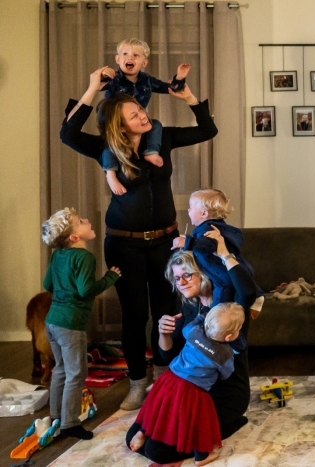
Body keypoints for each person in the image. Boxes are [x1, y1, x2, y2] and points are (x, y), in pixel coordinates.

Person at [60, 66, 218, 411]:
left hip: (165, 241)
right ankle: (137, 382)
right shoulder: (105, 147)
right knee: (134, 314)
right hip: (124, 242)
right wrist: (91, 89)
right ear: (120, 124)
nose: (143, 115)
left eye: (141, 109)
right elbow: (68, 133)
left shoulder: (162, 138)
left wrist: (188, 96)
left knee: (168, 311)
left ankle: (165, 374)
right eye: (134, 114)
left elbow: (209, 129)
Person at [125, 238, 256, 464]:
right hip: (189, 390)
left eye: (187, 275)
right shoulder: (189, 307)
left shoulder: (229, 308)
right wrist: (163, 334)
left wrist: (224, 253)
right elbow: (171, 358)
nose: (181, 282)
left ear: (202, 272)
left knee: (156, 451)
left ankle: (228, 424)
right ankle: (209, 431)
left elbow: (248, 291)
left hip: (224, 393)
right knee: (134, 434)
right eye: (177, 278)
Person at [129, 302, 245, 466]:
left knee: (159, 408)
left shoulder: (194, 332)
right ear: (229, 337)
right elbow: (226, 374)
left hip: (170, 379)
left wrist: (199, 318)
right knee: (197, 422)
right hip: (192, 390)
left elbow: (186, 328)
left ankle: (143, 432)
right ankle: (201, 456)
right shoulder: (225, 354)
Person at [41, 208, 121, 440]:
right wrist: (110, 278)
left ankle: (56, 416)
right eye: (81, 221)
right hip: (71, 325)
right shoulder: (85, 257)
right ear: (75, 237)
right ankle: (69, 423)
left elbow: (48, 284)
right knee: (77, 373)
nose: (87, 221)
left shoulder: (57, 255)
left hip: (53, 321)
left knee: (61, 370)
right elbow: (86, 290)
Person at [100, 38, 192, 196]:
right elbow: (98, 84)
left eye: (136, 55)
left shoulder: (147, 81)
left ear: (144, 63)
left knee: (156, 124)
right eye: (125, 54)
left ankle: (150, 151)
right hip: (114, 120)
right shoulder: (113, 78)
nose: (130, 58)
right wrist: (102, 74)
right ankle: (111, 173)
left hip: (138, 121)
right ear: (117, 59)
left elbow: (171, 88)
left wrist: (179, 77)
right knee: (110, 143)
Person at [172, 189, 265, 317]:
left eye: (190, 208)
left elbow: (209, 245)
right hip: (236, 269)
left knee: (219, 306)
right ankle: (258, 294)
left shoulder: (207, 229)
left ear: (204, 213)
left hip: (222, 277)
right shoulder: (221, 228)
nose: (188, 210)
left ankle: (214, 318)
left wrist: (188, 242)